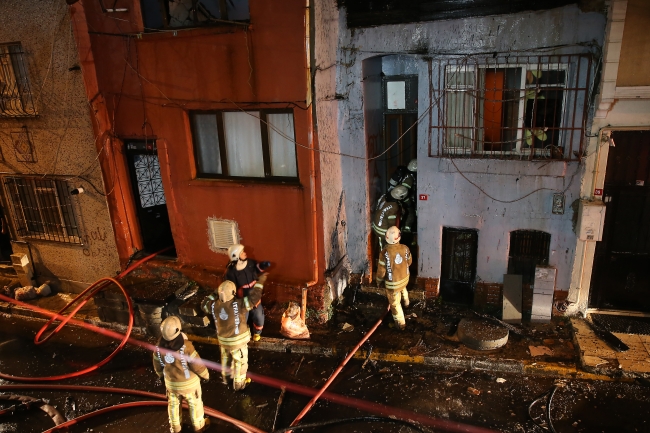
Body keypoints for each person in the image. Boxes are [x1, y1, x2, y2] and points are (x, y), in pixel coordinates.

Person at [201, 275, 266, 390]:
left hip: (223, 341)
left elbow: (204, 304)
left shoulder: (214, 305)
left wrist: (215, 293)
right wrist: (260, 282)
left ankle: (226, 379)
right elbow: (254, 298)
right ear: (233, 293)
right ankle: (239, 385)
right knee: (240, 363)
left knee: (226, 359)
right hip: (238, 342)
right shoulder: (239, 304)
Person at [153, 316, 210, 433]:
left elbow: (157, 365)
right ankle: (199, 426)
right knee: (195, 405)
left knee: (173, 406)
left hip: (171, 385)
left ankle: (175, 428)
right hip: (190, 385)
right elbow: (197, 365)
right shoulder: (186, 347)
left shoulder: (158, 348)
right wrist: (206, 376)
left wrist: (161, 376)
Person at [224, 244, 270, 341]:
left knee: (259, 317)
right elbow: (230, 288)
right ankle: (244, 335)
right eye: (242, 252)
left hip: (255, 298)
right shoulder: (231, 272)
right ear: (236, 256)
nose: (245, 253)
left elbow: (256, 269)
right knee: (242, 320)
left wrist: (262, 266)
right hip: (242, 302)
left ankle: (257, 334)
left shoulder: (250, 263)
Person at [376, 226, 412, 330]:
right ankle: (407, 303)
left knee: (395, 305)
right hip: (405, 279)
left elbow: (381, 271)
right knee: (403, 288)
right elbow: (409, 262)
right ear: (399, 237)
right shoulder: (405, 248)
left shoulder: (384, 253)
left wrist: (378, 281)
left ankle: (401, 325)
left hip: (393, 285)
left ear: (386, 238)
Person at [372, 185, 408, 250]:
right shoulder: (394, 207)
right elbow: (392, 224)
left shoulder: (384, 196)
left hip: (375, 224)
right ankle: (385, 255)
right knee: (387, 246)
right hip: (382, 230)